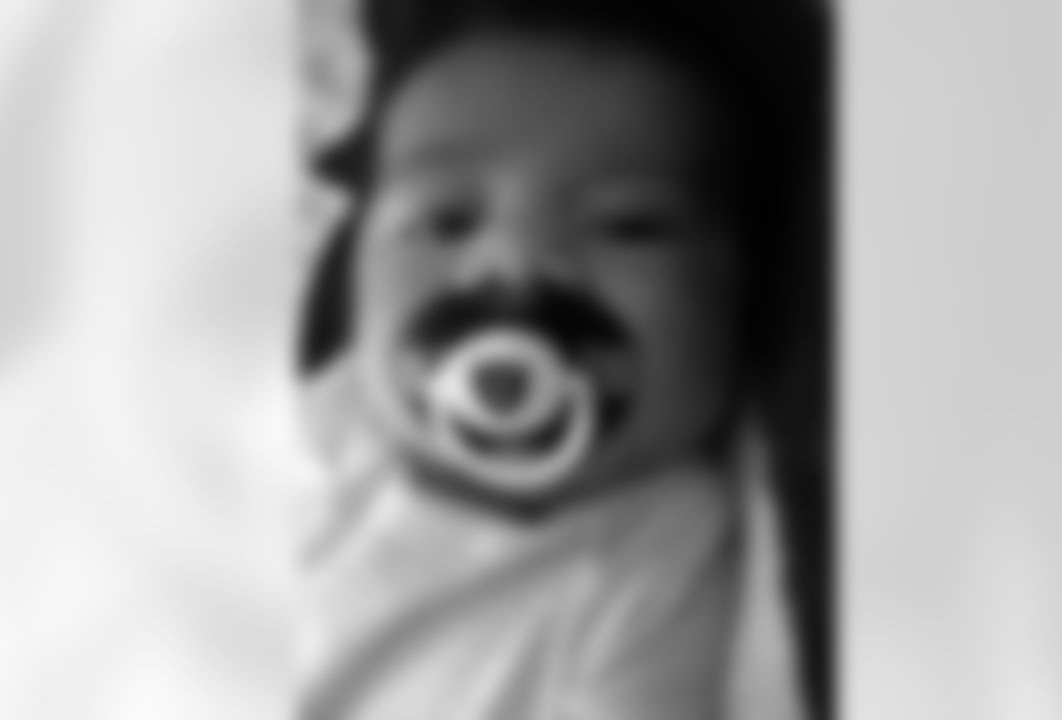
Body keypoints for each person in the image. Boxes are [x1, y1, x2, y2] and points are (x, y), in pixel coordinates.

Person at [297, 0, 823, 717]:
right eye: (448, 220)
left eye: (628, 225)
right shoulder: (327, 418)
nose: (515, 264)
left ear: (743, 293)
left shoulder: (655, 555)